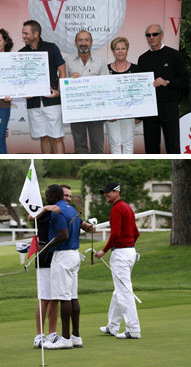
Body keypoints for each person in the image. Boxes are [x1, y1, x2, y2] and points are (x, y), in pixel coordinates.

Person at [44, 185, 95, 349]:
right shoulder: (72, 209)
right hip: (74, 255)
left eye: (46, 195)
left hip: (63, 256)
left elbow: (63, 235)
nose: (46, 197)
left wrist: (45, 247)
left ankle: (65, 339)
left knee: (64, 298)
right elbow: (86, 227)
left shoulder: (57, 211)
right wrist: (92, 226)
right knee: (73, 296)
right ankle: (76, 336)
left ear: (52, 196)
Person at [95, 182, 141, 339]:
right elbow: (136, 233)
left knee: (124, 292)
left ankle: (133, 329)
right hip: (130, 252)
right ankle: (112, 326)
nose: (105, 195)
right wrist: (129, 246)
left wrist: (104, 250)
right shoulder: (127, 208)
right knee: (119, 291)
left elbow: (115, 234)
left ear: (117, 192)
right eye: (104, 193)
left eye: (108, 192)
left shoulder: (116, 209)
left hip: (121, 254)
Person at [138, 24, 189, 154]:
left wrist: (167, 82)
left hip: (169, 106)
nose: (151, 37)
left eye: (154, 34)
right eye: (148, 35)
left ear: (161, 35)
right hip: (149, 108)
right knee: (150, 146)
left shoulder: (174, 55)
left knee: (173, 145)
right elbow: (139, 87)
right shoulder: (143, 59)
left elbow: (185, 81)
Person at [19, 20, 65, 154]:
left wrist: (58, 92)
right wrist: (23, 92)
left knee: (56, 138)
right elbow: (20, 79)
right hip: (33, 103)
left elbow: (62, 71)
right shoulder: (21, 53)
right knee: (43, 137)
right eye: (23, 33)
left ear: (36, 33)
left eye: (26, 33)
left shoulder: (51, 48)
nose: (23, 36)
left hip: (52, 101)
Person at [65, 31, 109, 154]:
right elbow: (61, 84)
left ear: (91, 42)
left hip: (96, 110)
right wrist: (70, 81)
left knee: (98, 146)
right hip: (76, 109)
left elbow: (106, 85)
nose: (83, 43)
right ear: (75, 42)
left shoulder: (100, 60)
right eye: (80, 40)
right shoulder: (68, 60)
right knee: (80, 146)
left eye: (86, 40)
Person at [28, 204, 60, 349]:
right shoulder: (43, 210)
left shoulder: (62, 210)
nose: (68, 198)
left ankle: (52, 333)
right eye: (65, 195)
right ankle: (38, 336)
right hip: (44, 255)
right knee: (45, 297)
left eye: (69, 196)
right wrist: (46, 208)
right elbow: (30, 217)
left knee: (55, 298)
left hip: (59, 256)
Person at [106, 37, 140, 154]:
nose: (120, 51)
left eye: (123, 48)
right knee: (114, 142)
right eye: (117, 49)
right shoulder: (106, 69)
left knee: (128, 142)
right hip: (111, 114)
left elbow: (140, 93)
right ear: (113, 51)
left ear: (127, 50)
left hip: (129, 113)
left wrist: (139, 115)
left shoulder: (136, 69)